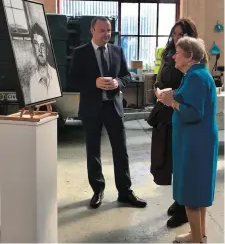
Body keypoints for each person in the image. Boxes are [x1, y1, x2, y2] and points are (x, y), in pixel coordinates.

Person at [67, 16, 147, 209]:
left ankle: (125, 192)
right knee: (93, 150)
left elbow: (127, 75)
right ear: (92, 31)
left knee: (121, 151)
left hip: (113, 107)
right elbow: (71, 80)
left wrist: (118, 82)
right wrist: (93, 83)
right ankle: (98, 190)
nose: (106, 34)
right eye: (102, 31)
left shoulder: (117, 50)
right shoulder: (80, 53)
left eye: (109, 30)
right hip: (91, 109)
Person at [160, 36, 218, 243]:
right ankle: (198, 234)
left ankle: (196, 241)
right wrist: (173, 96)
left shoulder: (196, 77)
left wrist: (172, 102)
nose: (173, 56)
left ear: (190, 56)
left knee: (192, 192)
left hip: (195, 142)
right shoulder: (196, 74)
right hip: (198, 140)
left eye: (177, 52)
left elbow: (194, 113)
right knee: (199, 190)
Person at [148, 18, 199, 228]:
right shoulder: (170, 54)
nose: (177, 38)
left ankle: (183, 208)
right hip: (164, 113)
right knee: (167, 159)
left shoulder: (192, 58)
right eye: (175, 34)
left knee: (180, 162)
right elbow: (160, 78)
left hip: (178, 115)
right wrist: (159, 90)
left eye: (182, 35)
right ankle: (178, 201)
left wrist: (173, 96)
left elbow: (190, 88)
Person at [29, 22, 61, 104]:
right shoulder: (32, 81)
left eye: (42, 45)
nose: (39, 49)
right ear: (33, 49)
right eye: (36, 44)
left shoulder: (56, 75)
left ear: (47, 50)